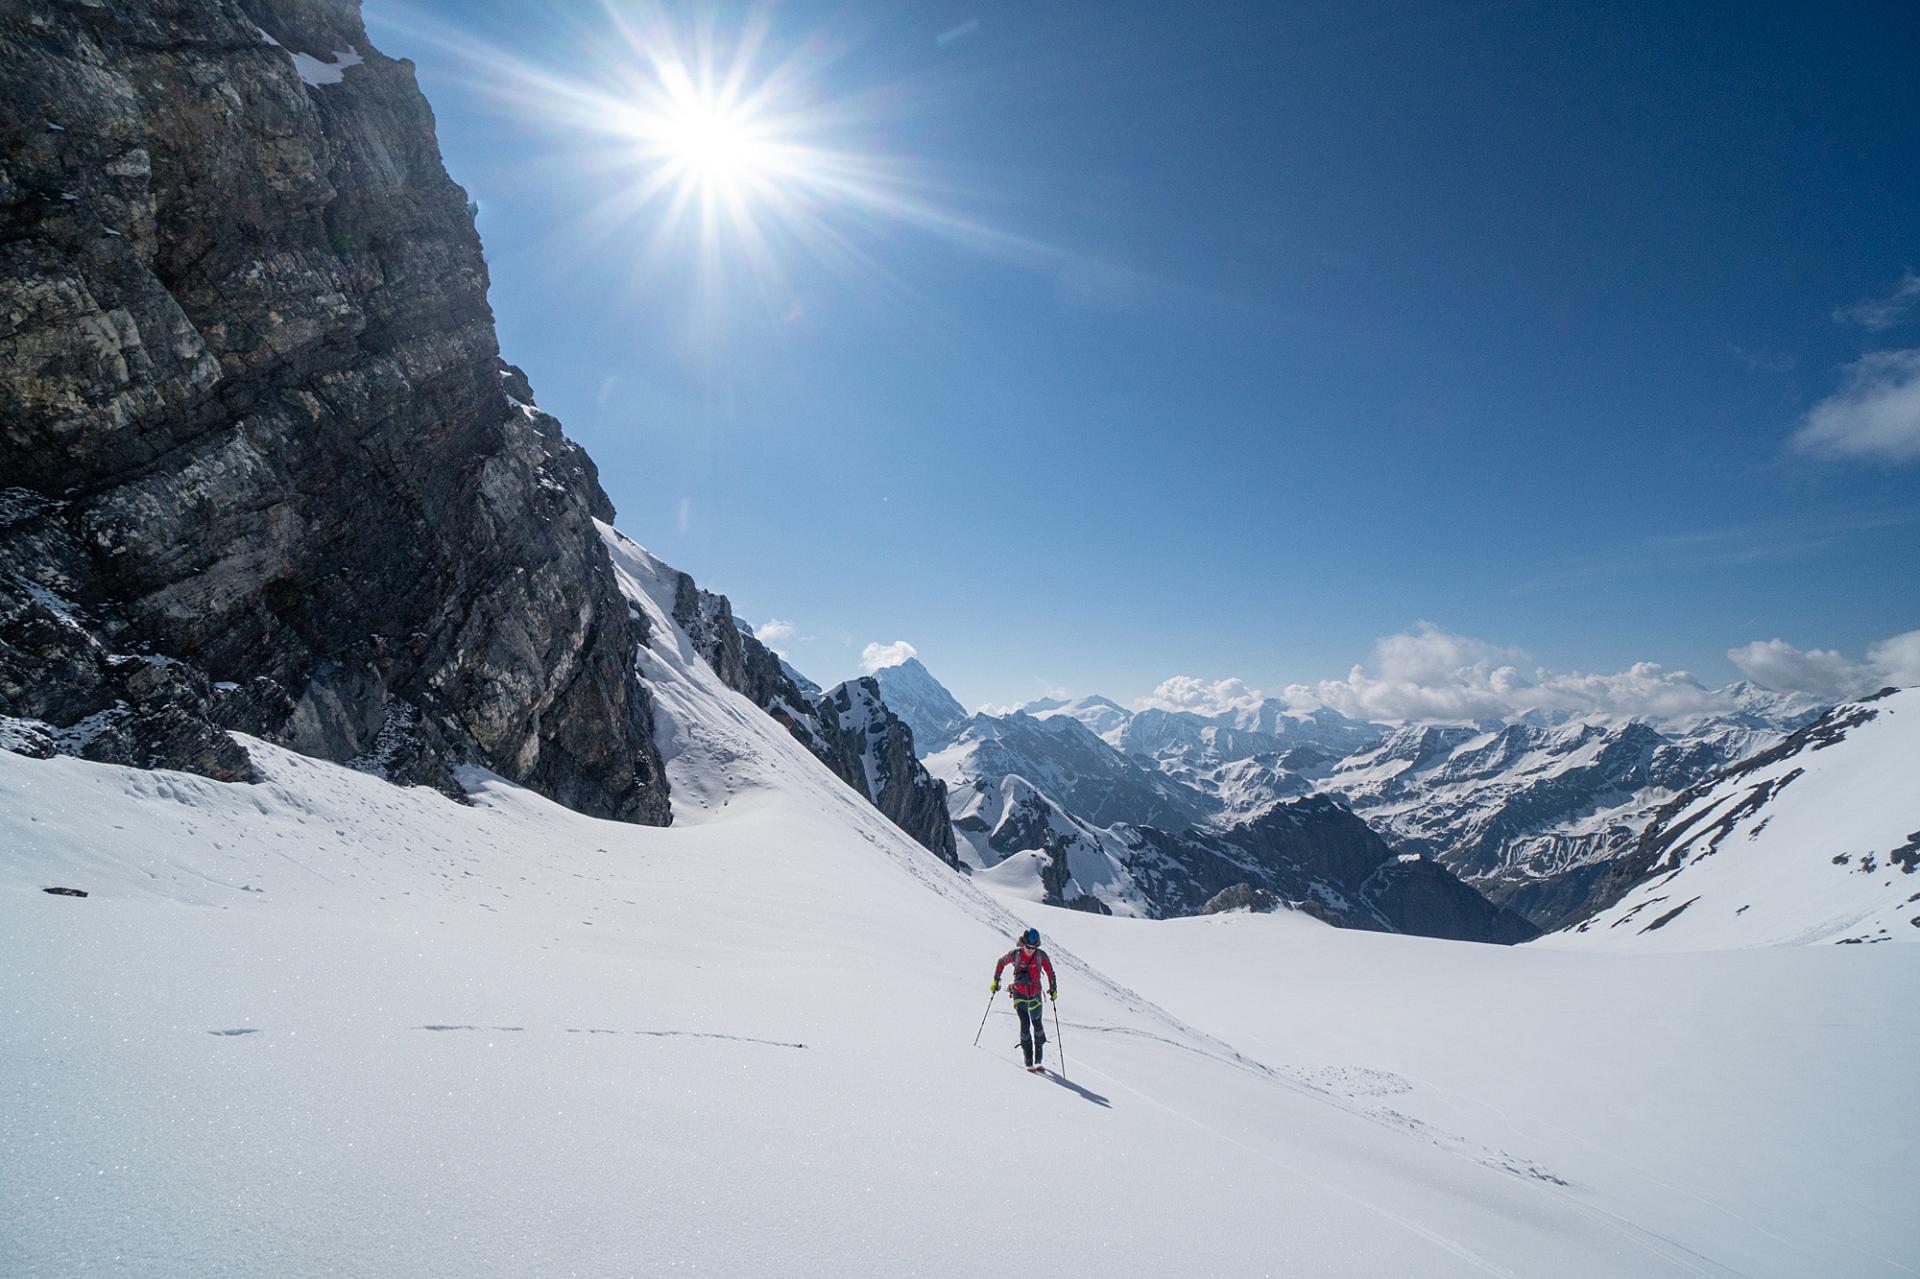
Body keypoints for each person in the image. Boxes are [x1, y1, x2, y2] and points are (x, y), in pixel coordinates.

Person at [991, 927, 1058, 1071]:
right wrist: (996, 980)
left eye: (1034, 947)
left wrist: (1053, 988)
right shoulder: (1016, 954)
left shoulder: (1041, 956)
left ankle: (1038, 1060)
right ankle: (1029, 1062)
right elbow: (1001, 962)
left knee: (1037, 1025)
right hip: (1019, 994)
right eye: (1028, 947)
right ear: (1023, 943)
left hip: (1035, 995)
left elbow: (1050, 972)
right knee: (1025, 1024)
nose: (1030, 950)